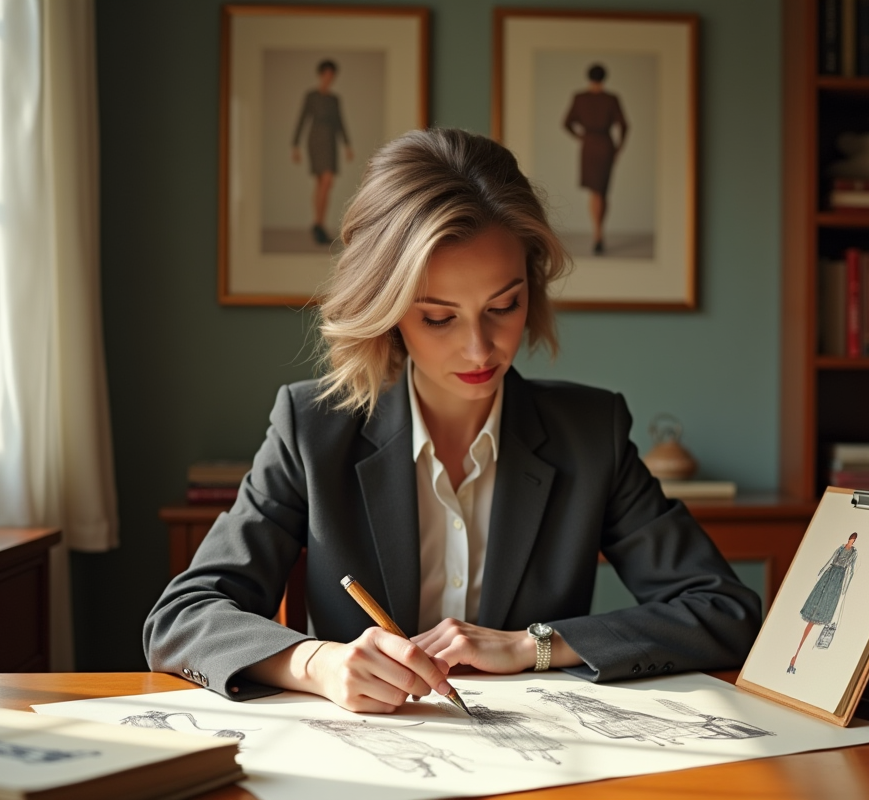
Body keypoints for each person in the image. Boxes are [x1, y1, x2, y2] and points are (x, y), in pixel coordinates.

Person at [144, 128, 760, 713]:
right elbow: (181, 619)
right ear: (387, 310)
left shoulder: (590, 434)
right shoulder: (312, 429)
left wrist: (535, 645)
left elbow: (725, 610)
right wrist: (316, 663)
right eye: (439, 317)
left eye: (504, 306)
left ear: (531, 287)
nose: (479, 349)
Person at [562, 64, 628, 255]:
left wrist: (581, 136)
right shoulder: (611, 99)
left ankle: (598, 234)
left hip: (589, 146)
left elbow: (566, 123)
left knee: (596, 191)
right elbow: (624, 125)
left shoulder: (580, 98)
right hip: (605, 144)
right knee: (601, 191)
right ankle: (599, 234)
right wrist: (619, 147)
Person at [292, 59, 354, 245]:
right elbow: (302, 119)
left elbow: (340, 121)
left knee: (325, 183)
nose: (329, 78)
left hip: (330, 141)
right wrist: (295, 144)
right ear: (320, 75)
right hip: (315, 140)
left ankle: (318, 223)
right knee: (323, 181)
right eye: (326, 74)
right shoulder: (311, 96)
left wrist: (347, 144)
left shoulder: (335, 99)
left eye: (331, 75)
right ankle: (318, 224)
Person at [788, 533, 858, 674]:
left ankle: (797, 656)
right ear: (849, 539)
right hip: (830, 573)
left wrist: (846, 585)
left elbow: (851, 570)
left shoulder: (854, 553)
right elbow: (831, 559)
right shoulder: (841, 548)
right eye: (851, 539)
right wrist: (822, 570)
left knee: (827, 601)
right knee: (819, 598)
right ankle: (795, 656)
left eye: (853, 540)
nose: (852, 541)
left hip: (838, 577)